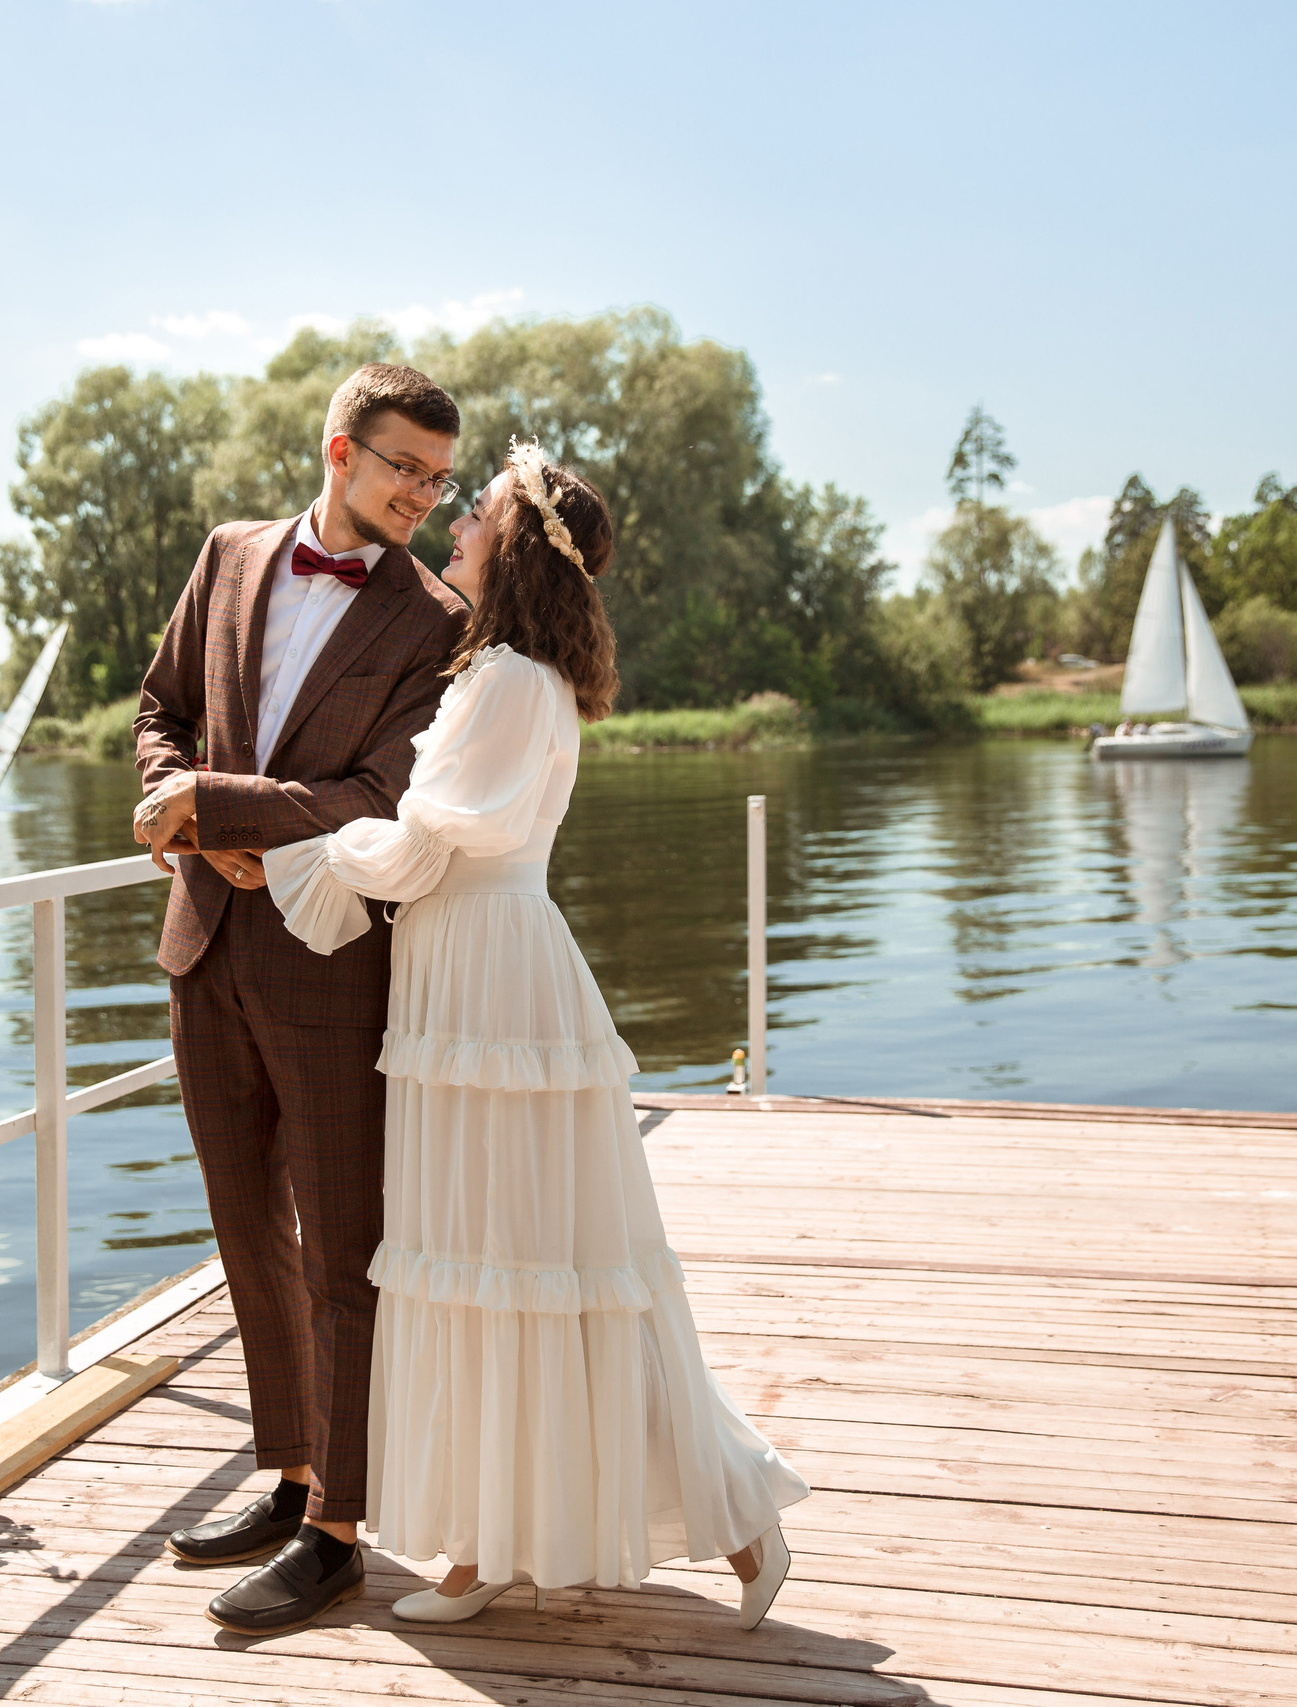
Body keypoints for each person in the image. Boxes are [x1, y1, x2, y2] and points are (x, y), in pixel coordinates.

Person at [263, 443, 811, 1629]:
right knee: (486, 1258)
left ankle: (732, 1517)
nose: (455, 523)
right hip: (463, 973)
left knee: (524, 1256)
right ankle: (485, 1544)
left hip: (490, 983)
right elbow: (431, 843)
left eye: (478, 511)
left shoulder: (511, 678)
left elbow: (425, 844)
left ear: (514, 546)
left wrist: (296, 855)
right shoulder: (509, 672)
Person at [130, 364, 471, 1636]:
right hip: (203, 942)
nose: (422, 496)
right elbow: (161, 709)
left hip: (330, 960)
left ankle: (340, 1532)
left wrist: (218, 811)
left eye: (438, 479)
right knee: (245, 1230)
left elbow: (385, 796)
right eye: (403, 468)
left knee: (341, 1249)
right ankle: (288, 1475)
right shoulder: (228, 555)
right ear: (340, 450)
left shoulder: (437, 620)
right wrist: (173, 801)